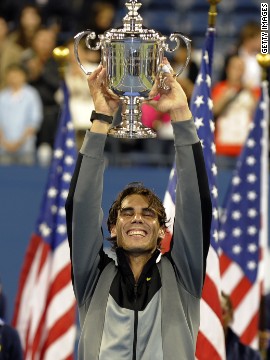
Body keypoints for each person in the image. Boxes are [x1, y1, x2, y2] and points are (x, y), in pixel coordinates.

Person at [65, 62, 212, 359]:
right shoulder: (92, 275)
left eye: (148, 214)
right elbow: (80, 204)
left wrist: (181, 114)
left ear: (162, 229)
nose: (137, 218)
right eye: (127, 212)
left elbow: (196, 203)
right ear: (113, 228)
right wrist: (102, 118)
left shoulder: (182, 272)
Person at [212, 54, 259, 167]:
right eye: (235, 68)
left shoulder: (253, 91)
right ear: (228, 69)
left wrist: (249, 91)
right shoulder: (219, 88)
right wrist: (230, 91)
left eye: (241, 68)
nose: (239, 71)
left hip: (246, 148)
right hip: (223, 148)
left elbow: (260, 114)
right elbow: (214, 111)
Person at [0, 63, 42, 165]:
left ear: (23, 76)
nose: (13, 78)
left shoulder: (31, 95)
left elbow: (35, 121)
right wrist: (5, 143)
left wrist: (19, 142)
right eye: (10, 75)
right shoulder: (2, 96)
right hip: (4, 147)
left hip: (25, 147)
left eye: (16, 75)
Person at [221, 291, 262, 360]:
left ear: (231, 315)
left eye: (222, 312)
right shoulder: (197, 350)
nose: (217, 316)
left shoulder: (250, 356)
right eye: (213, 312)